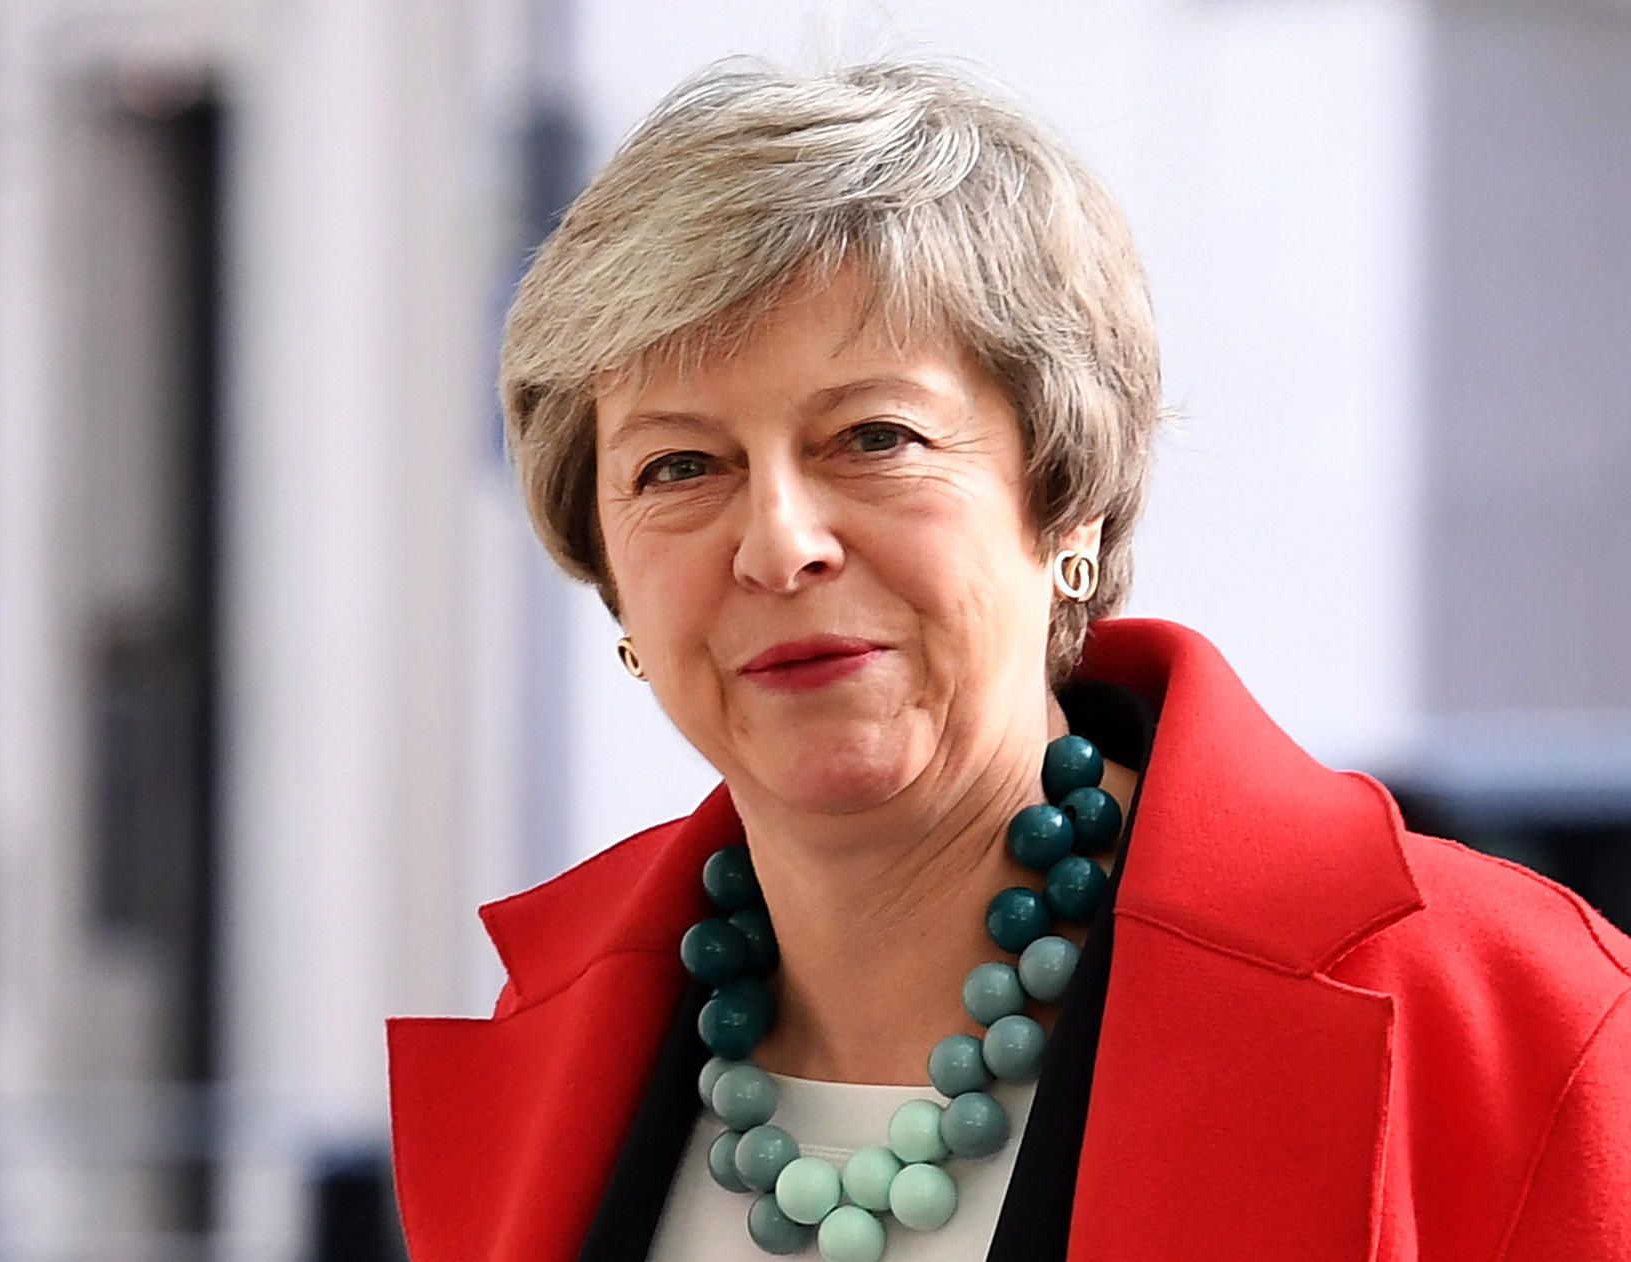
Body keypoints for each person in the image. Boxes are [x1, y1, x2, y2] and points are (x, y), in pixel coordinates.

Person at [387, 61, 1631, 1262]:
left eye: (874, 436)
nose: (777, 541)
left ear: (1067, 504)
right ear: (606, 566)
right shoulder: (550, 1053)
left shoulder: (1520, 1019)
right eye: (679, 466)